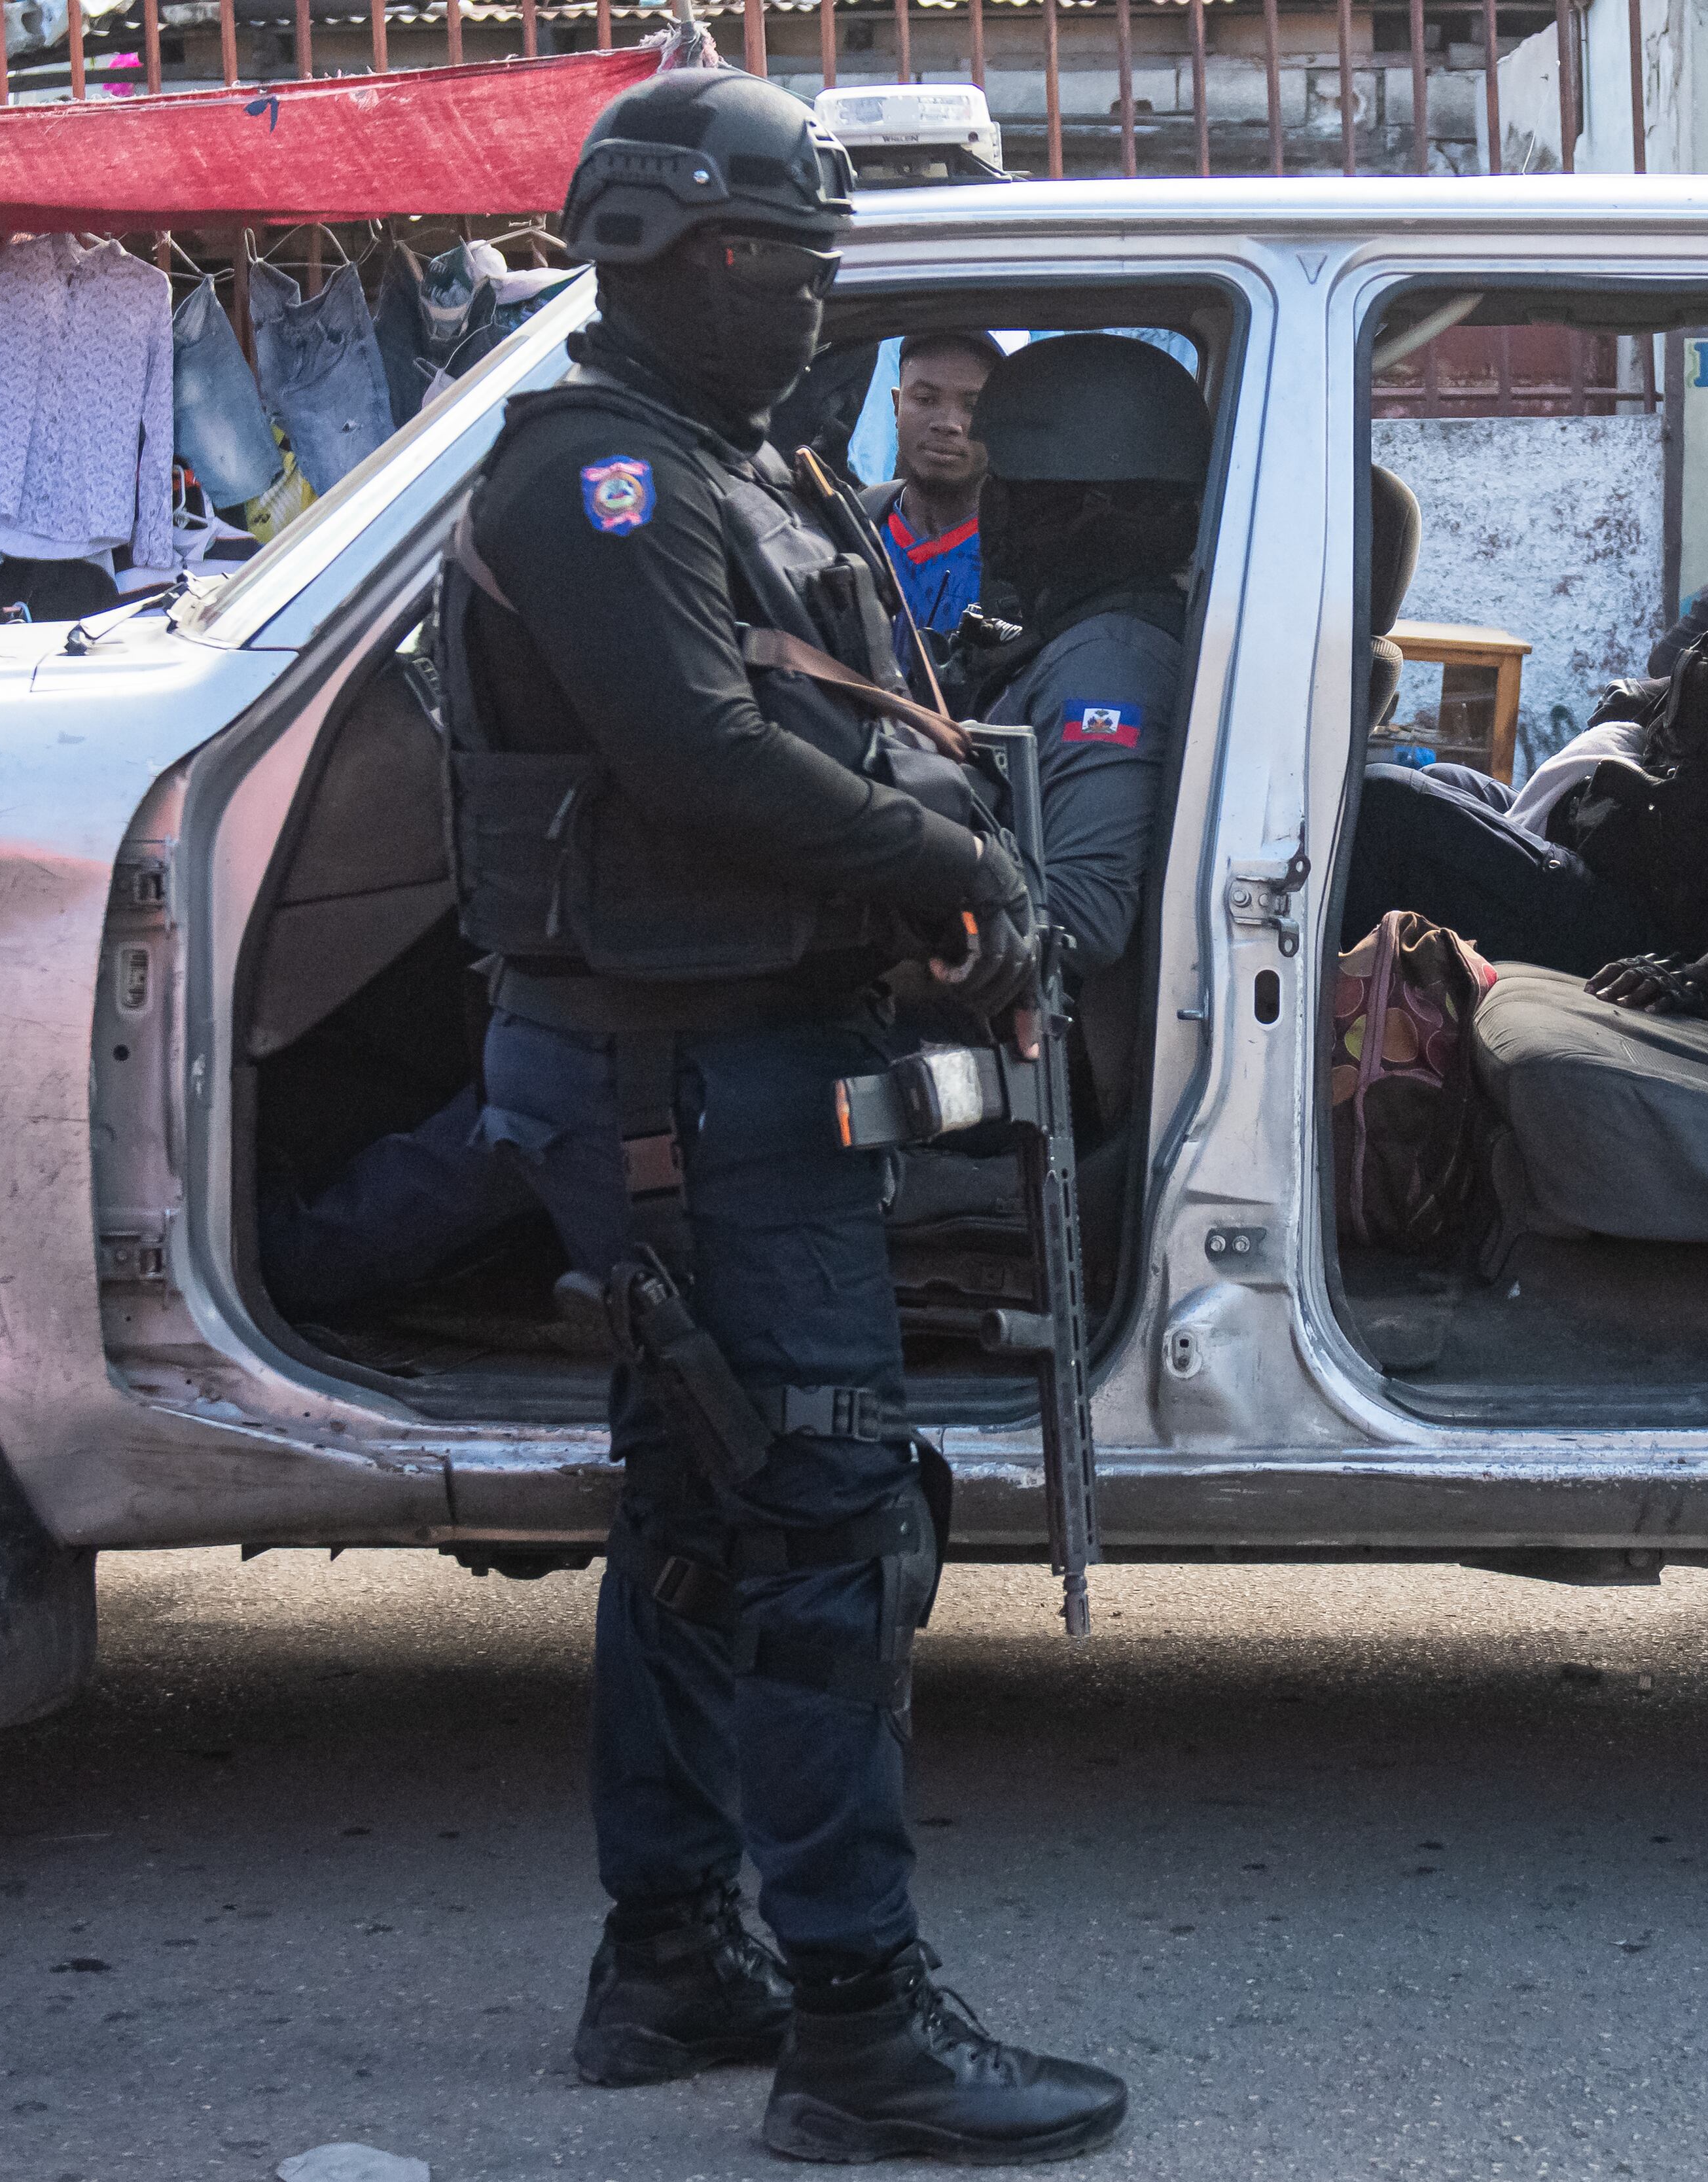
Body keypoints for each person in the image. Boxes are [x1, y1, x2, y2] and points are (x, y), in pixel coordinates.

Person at [440, 68, 1125, 2166]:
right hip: (693, 1082)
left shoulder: (748, 469)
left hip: (735, 1060)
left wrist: (956, 844)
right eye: (787, 261)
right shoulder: (598, 483)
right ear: (663, 250)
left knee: (707, 1515)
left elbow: (871, 709)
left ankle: (671, 1964)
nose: (816, 303)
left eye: (828, 265)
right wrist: (956, 879)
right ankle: (854, 2030)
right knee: (832, 1520)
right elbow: (704, 760)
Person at [1340, 387, 1708, 1018]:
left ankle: (1337, 1042)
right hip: (1639, 855)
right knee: (1440, 778)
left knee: (1387, 806)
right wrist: (1654, 698)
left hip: (1658, 928)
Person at [965, 332, 1210, 984]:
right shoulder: (1089, 636)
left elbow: (1085, 915)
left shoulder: (1109, 662)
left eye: (1006, 484)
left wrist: (905, 889)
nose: (989, 504)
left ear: (1086, 507)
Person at [864, 330, 998, 635]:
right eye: (925, 399)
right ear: (897, 406)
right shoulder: (859, 524)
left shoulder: (1020, 560)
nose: (948, 424)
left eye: (974, 407)